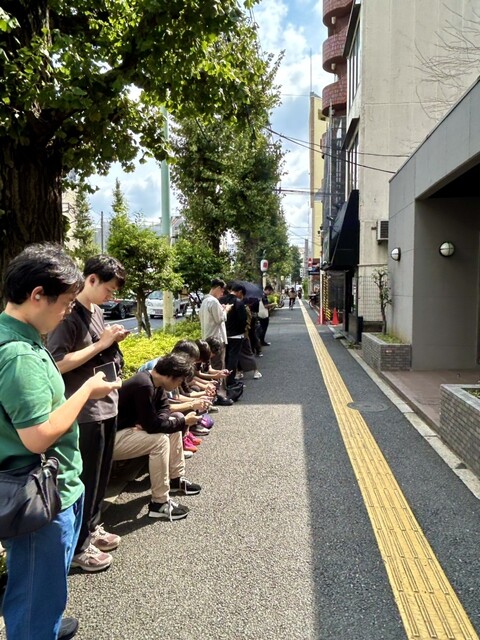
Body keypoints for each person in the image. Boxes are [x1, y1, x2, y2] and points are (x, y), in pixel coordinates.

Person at [0, 243, 120, 640]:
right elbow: (38, 436)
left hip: (46, 487)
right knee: (37, 590)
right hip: (40, 495)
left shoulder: (19, 335)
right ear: (38, 295)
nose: (69, 310)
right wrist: (86, 391)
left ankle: (43, 624)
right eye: (66, 302)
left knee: (42, 585)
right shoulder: (19, 355)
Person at [47, 255, 128, 573]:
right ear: (91, 279)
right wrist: (100, 344)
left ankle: (92, 528)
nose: (111, 296)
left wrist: (111, 339)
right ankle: (80, 546)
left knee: (100, 477)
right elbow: (57, 362)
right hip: (85, 412)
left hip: (106, 404)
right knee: (85, 480)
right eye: (108, 289)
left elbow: (99, 345)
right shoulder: (69, 316)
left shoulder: (95, 310)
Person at [114, 353, 201, 520]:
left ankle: (175, 479)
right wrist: (178, 421)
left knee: (173, 423)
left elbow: (164, 409)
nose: (179, 385)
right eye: (179, 381)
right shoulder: (144, 385)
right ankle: (159, 503)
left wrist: (153, 422)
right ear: (171, 376)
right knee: (160, 440)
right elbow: (153, 425)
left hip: (128, 432)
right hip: (113, 440)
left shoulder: (156, 382)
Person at [199, 279, 233, 406]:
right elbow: (220, 319)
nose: (222, 293)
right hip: (216, 339)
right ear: (218, 287)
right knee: (218, 367)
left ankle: (215, 394)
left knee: (212, 367)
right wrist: (226, 309)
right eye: (222, 290)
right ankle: (219, 395)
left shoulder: (205, 301)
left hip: (208, 338)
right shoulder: (213, 301)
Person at [220, 283, 248, 387]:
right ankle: (230, 381)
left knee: (225, 357)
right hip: (236, 334)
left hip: (223, 334)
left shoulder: (220, 300)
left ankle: (223, 379)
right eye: (242, 294)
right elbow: (243, 320)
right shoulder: (239, 302)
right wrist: (243, 330)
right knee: (233, 358)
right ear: (239, 292)